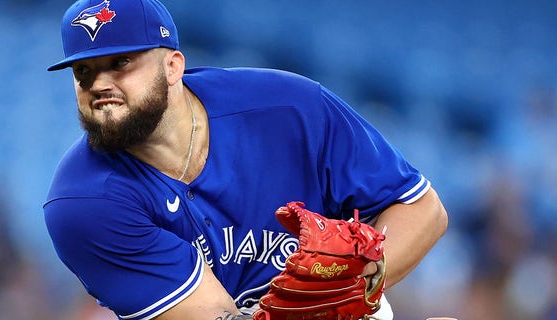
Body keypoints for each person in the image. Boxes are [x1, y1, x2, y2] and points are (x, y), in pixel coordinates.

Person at [43, 0, 449, 319]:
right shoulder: (82, 202)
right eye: (83, 73)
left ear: (173, 66)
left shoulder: (288, 108)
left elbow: (422, 209)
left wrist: (354, 284)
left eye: (120, 63)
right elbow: (218, 316)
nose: (99, 84)